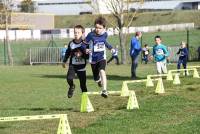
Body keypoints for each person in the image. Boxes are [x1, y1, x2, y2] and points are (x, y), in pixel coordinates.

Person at [85, 16, 114, 98]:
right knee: (96, 78)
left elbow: (105, 42)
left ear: (104, 28)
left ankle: (104, 90)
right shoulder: (90, 35)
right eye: (96, 27)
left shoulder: (105, 34)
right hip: (93, 59)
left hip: (102, 57)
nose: (97, 29)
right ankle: (99, 81)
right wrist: (85, 50)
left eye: (100, 28)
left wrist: (111, 48)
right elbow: (84, 44)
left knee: (102, 70)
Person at [62, 25, 88, 98]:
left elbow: (88, 56)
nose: (76, 34)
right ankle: (72, 86)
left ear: (82, 33)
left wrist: (82, 54)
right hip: (72, 65)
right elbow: (67, 52)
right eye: (75, 32)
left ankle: (86, 101)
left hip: (82, 66)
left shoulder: (85, 44)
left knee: (83, 85)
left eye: (78, 32)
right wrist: (64, 61)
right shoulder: (71, 43)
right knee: (69, 78)